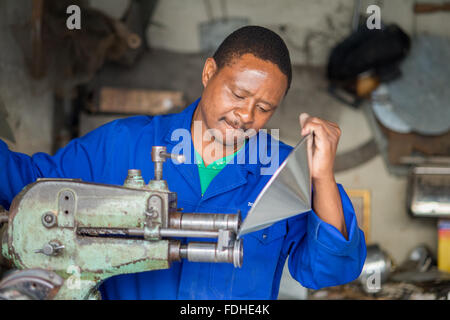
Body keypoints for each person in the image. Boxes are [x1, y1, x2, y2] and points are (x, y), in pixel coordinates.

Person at [0, 26, 366, 299]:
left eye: (264, 107)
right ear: (209, 73)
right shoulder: (124, 144)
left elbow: (328, 270)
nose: (245, 115)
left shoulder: (285, 174)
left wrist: (321, 177)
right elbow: (30, 186)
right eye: (238, 94)